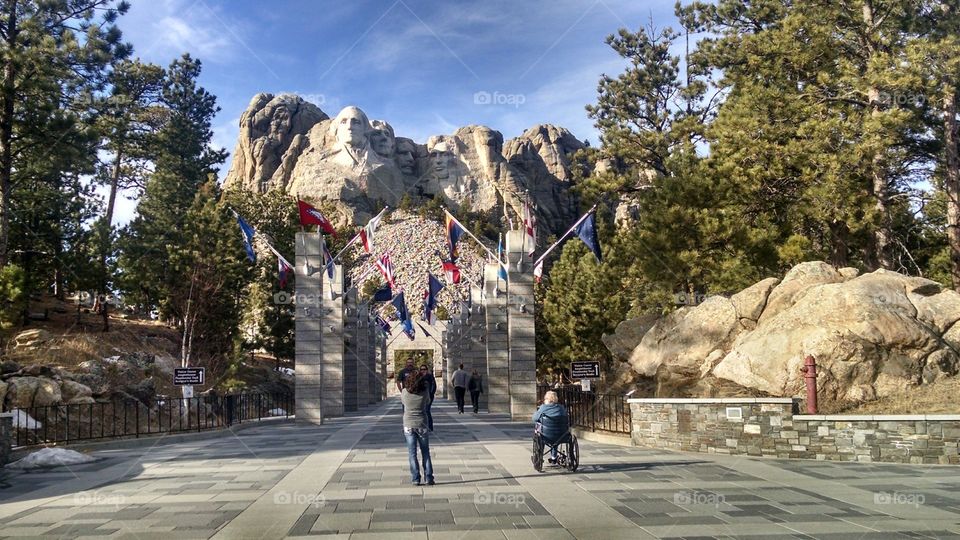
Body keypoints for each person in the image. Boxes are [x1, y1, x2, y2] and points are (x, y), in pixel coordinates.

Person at [401, 370, 434, 486]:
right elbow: (428, 402)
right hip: (422, 423)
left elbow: (403, 403)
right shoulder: (425, 392)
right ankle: (429, 477)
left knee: (412, 453)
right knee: (425, 452)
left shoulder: (404, 392)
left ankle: (415, 478)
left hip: (408, 424)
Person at [532, 391, 569, 465]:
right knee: (555, 440)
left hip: (546, 435)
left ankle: (540, 456)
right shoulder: (561, 408)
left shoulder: (543, 408)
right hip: (561, 435)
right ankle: (553, 457)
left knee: (539, 429)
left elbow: (534, 418)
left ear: (546, 399)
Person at [419, 364, 437, 431]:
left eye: (424, 369)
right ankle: (422, 426)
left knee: (427, 410)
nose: (423, 371)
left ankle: (430, 427)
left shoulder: (430, 377)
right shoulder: (419, 377)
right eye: (421, 369)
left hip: (429, 397)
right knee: (422, 411)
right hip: (420, 397)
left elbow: (434, 386)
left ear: (427, 370)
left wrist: (431, 394)